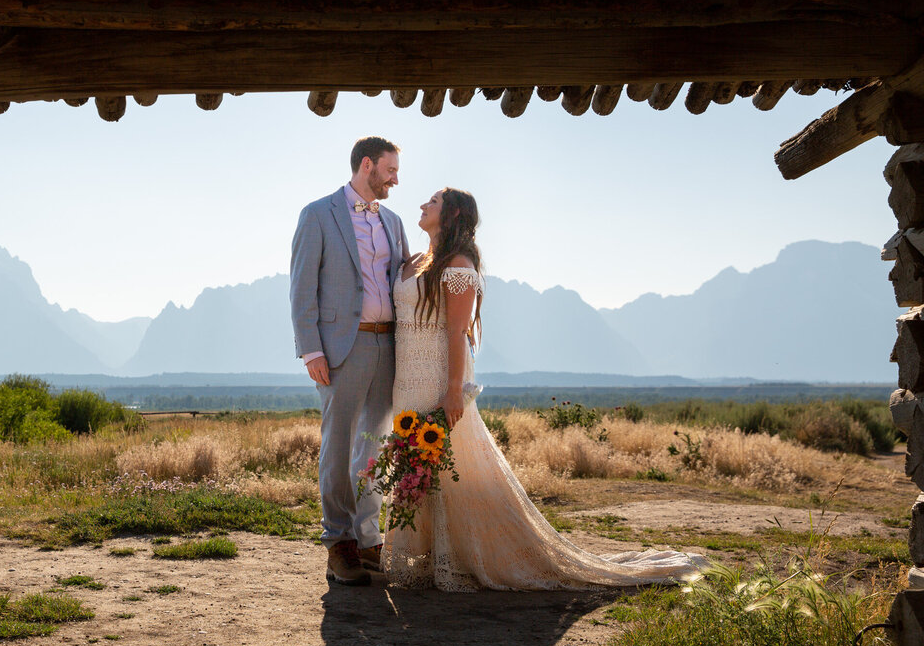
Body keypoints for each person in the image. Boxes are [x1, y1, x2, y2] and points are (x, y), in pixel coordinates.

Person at [383, 188, 707, 591]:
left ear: (451, 215)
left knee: (456, 466)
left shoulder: (459, 265)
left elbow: (456, 332)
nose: (422, 205)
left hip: (437, 376)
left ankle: (470, 556)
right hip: (406, 379)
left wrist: (452, 391)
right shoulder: (413, 261)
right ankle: (433, 556)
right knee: (418, 466)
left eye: (432, 202)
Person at [290, 137, 411, 586]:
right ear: (367, 165)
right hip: (341, 348)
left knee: (374, 448)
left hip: (387, 346)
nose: (396, 179)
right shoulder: (318, 214)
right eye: (391, 170)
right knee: (338, 447)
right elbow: (302, 287)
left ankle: (367, 537)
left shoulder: (394, 222)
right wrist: (311, 349)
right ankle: (338, 541)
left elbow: (400, 280)